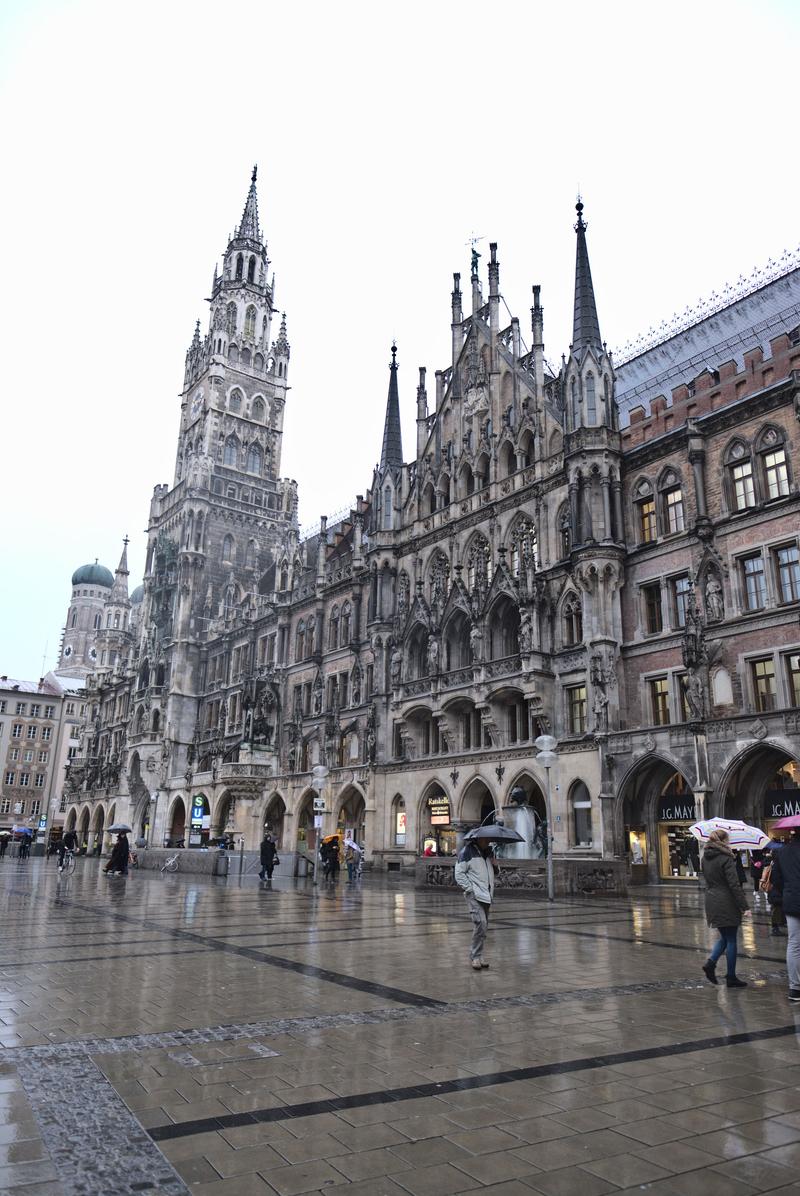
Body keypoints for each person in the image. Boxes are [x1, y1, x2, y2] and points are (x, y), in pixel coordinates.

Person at [701, 828, 750, 988]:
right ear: (723, 841)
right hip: (726, 901)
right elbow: (734, 884)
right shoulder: (726, 858)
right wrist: (745, 906)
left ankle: (710, 964)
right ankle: (730, 976)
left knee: (724, 937)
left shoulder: (705, 858)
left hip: (711, 900)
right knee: (731, 939)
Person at [454, 837, 496, 971]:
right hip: (475, 895)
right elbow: (459, 873)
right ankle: (475, 956)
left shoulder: (489, 853)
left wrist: (495, 865)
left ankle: (479, 954)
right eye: (486, 839)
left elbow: (493, 873)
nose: (488, 841)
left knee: (483, 927)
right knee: (481, 923)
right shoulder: (467, 852)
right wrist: (469, 889)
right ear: (478, 839)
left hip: (487, 895)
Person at [768, 833, 800, 1001]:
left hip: (791, 902)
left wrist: (788, 891)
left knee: (794, 944)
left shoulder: (783, 852)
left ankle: (795, 988)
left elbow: (776, 879)